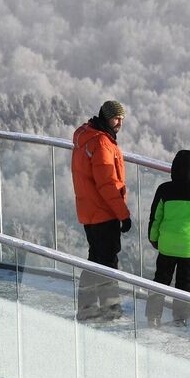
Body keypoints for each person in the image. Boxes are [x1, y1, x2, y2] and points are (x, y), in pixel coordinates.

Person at [71, 100, 132, 319]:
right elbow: (107, 185)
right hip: (103, 212)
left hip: (89, 211)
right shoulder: (102, 145)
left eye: (122, 119)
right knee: (108, 262)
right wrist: (123, 214)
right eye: (116, 118)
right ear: (106, 117)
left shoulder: (87, 137)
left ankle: (87, 308)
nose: (120, 123)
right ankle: (110, 309)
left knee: (95, 258)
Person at [145, 149, 190, 327]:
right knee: (185, 284)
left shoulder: (164, 189)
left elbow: (155, 217)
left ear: (173, 168)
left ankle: (153, 316)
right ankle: (180, 319)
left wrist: (153, 238)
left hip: (166, 244)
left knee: (161, 280)